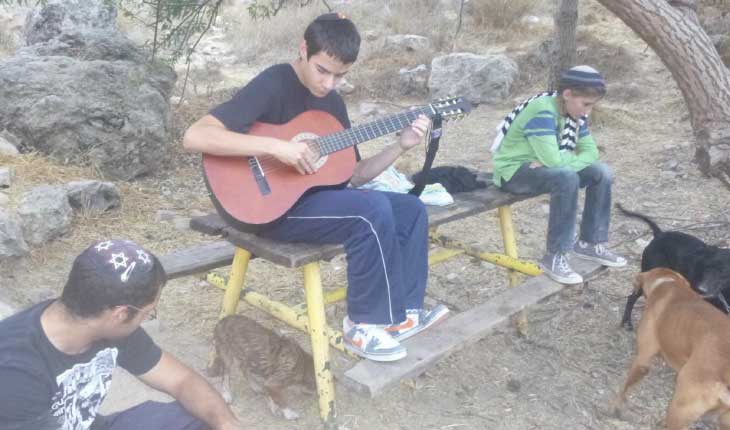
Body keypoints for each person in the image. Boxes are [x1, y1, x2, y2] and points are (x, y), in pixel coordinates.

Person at [183, 13, 448, 362]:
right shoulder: (274, 83)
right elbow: (195, 136)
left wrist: (401, 145)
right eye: (322, 70)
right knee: (370, 211)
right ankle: (362, 325)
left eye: (340, 75)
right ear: (303, 49)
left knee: (410, 209)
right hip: (269, 209)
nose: (329, 83)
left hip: (314, 203)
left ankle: (404, 315)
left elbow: (354, 175)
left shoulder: (333, 104)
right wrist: (277, 147)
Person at [0, 239, 242, 430]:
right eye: (148, 312)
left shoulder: (106, 323)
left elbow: (181, 381)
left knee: (201, 416)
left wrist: (226, 424)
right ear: (120, 314)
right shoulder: (14, 370)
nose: (146, 318)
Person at [490, 65, 626, 285]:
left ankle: (590, 243)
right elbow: (554, 161)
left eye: (592, 105)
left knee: (602, 173)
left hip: (542, 168)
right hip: (514, 172)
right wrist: (559, 160)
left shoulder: (573, 114)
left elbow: (590, 152)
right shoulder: (542, 110)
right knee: (566, 177)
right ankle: (555, 255)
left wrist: (560, 160)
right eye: (586, 104)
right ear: (568, 94)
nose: (588, 111)